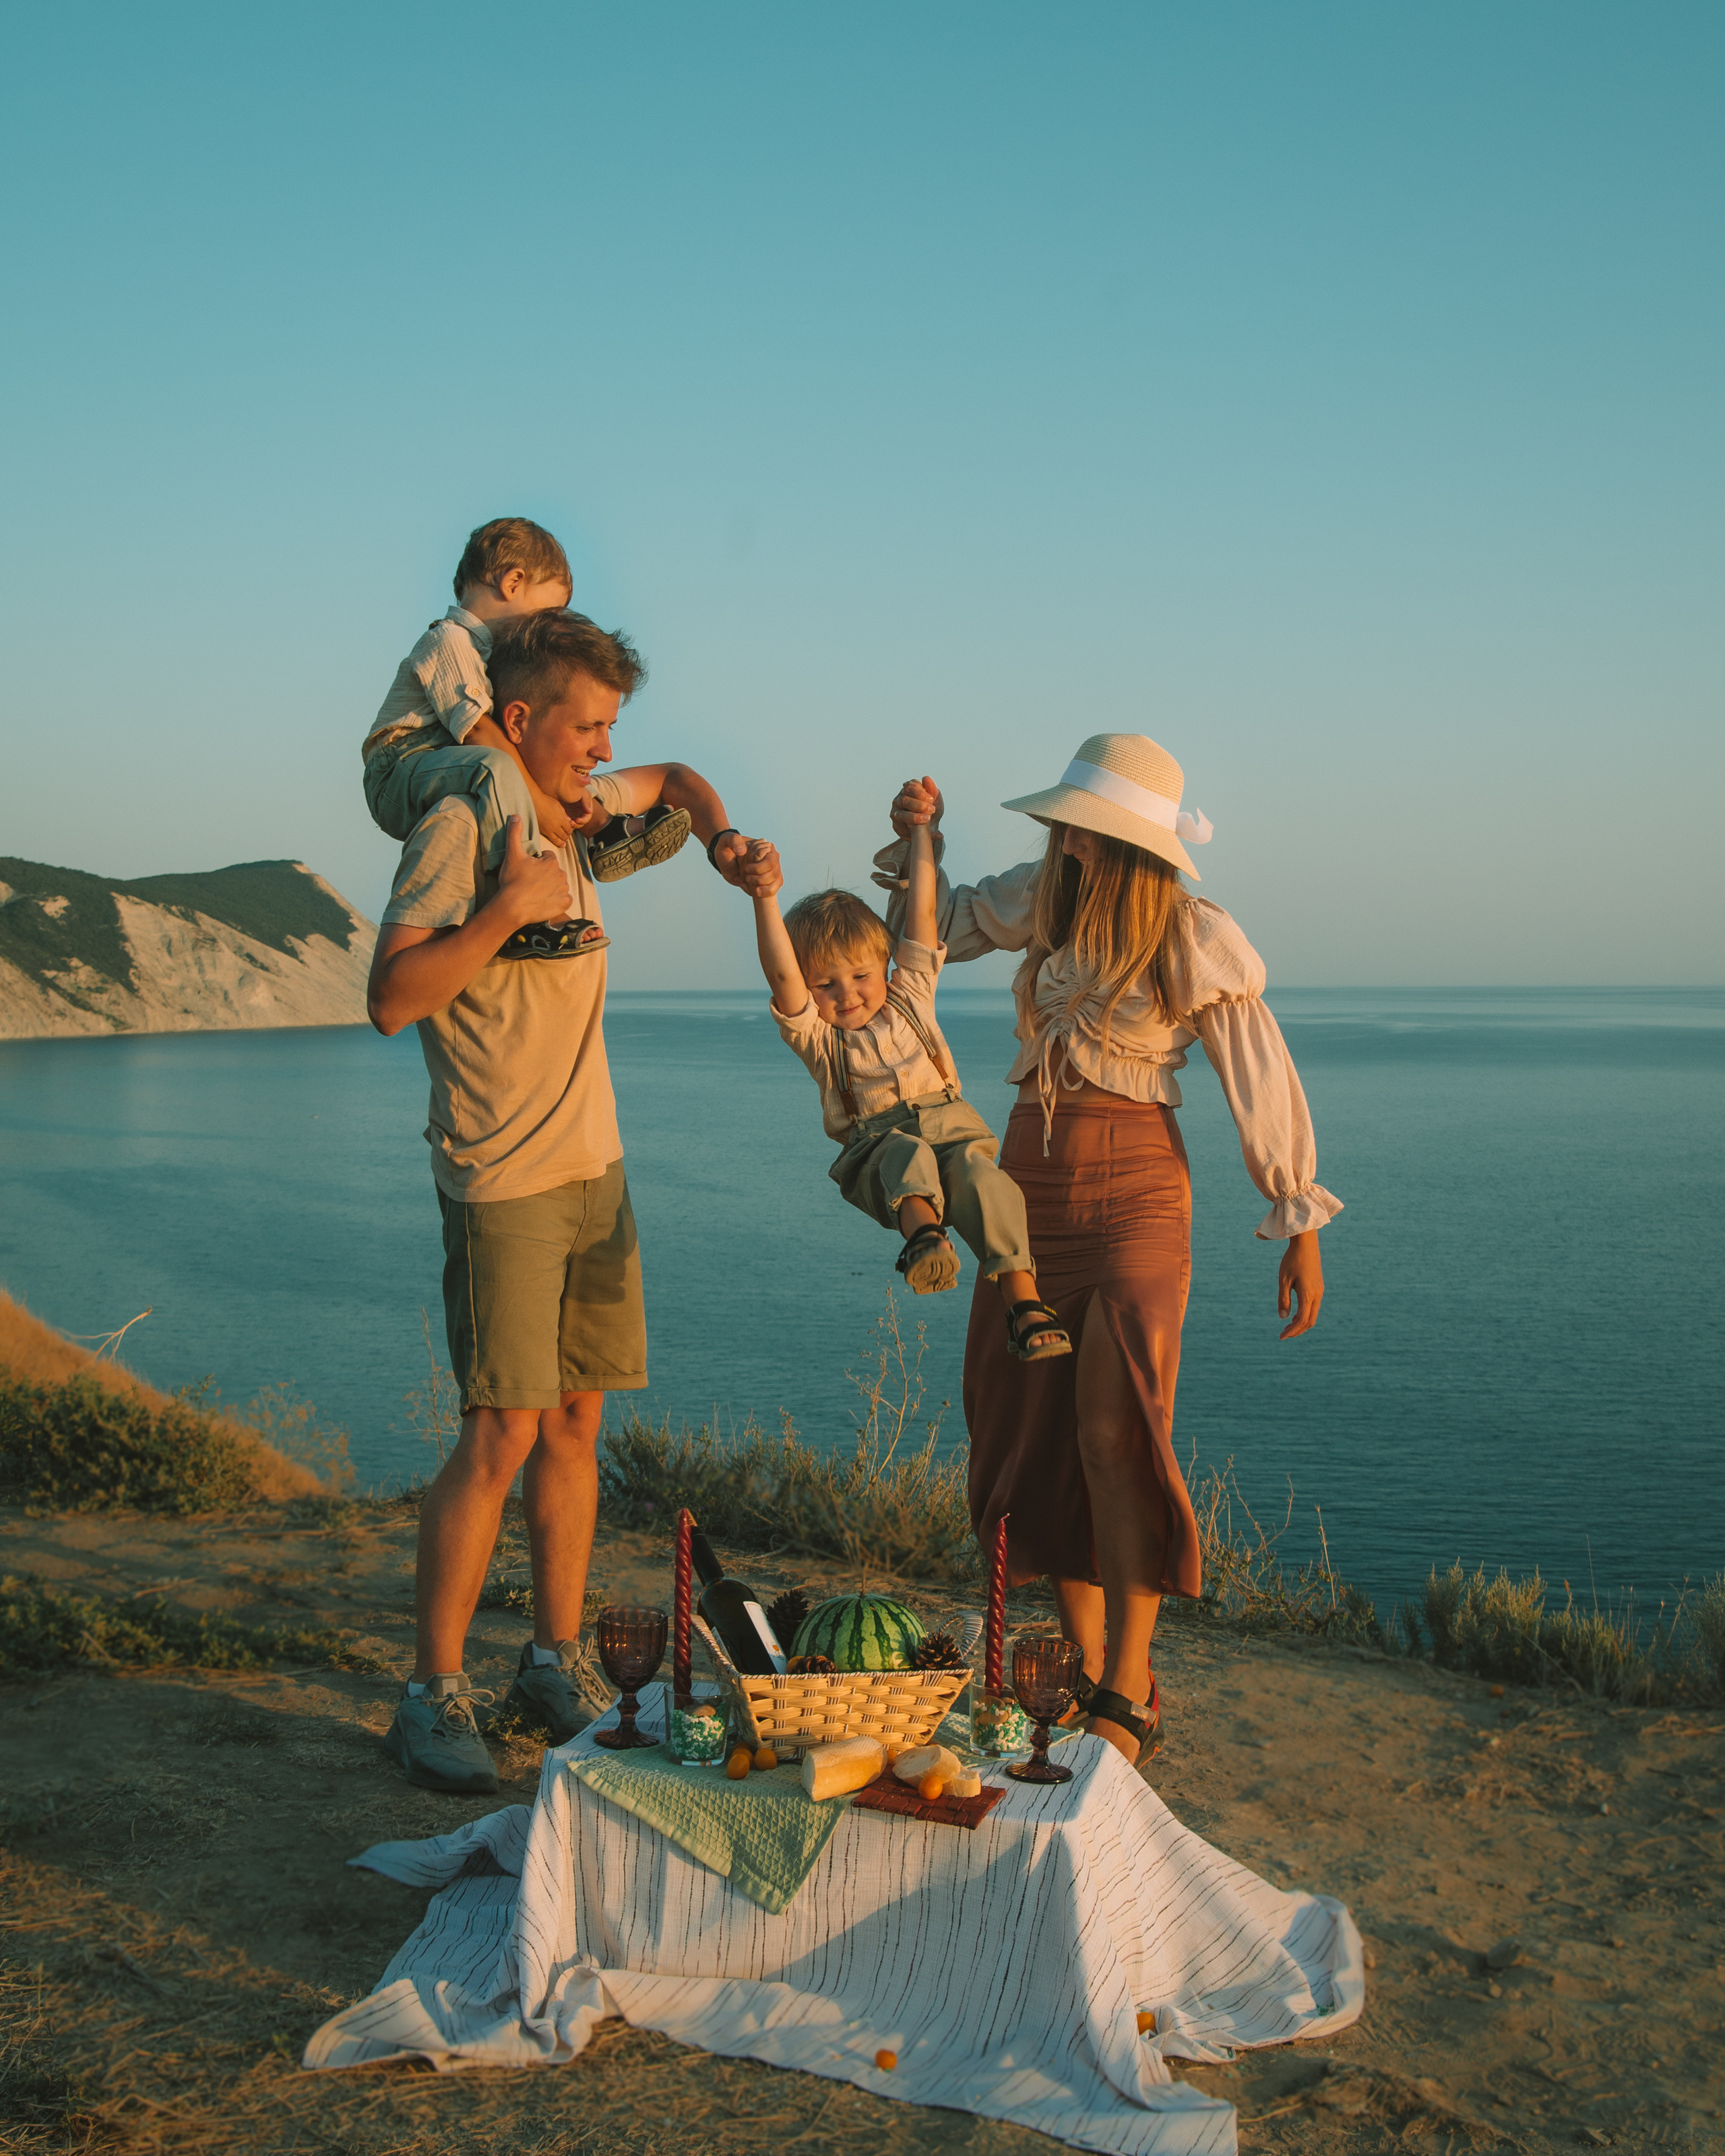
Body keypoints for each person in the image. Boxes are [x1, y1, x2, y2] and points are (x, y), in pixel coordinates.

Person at [367, 606, 775, 1794]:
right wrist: (504, 911)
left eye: (611, 729)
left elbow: (683, 781)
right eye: (587, 727)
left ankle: (549, 1663)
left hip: (595, 1167)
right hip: (502, 1177)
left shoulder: (575, 823)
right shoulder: (462, 819)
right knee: (496, 1434)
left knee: (580, 1426)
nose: (602, 748)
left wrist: (719, 836)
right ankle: (429, 1695)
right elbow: (392, 997)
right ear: (518, 717)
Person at [878, 734, 1340, 1767]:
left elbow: (1258, 1074)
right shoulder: (1043, 893)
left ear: (1114, 834)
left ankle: (1131, 1685)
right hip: (1027, 1186)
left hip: (1137, 1189)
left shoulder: (1189, 931)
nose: (1058, 834)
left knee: (1115, 1426)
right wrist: (921, 842)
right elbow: (937, 930)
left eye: (1075, 822)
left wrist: (1296, 1215)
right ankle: (1087, 1672)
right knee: (1034, 1426)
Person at [746, 823, 1070, 1357]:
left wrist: (923, 834)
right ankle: (925, 1240)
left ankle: (1025, 1305)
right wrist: (765, 896)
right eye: (825, 985)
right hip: (876, 1145)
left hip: (952, 1124)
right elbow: (780, 975)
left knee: (983, 1180)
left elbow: (920, 916)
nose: (846, 994)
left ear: (885, 965)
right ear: (808, 991)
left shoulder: (911, 995)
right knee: (906, 1153)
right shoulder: (820, 1040)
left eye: (860, 976)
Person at [362, 517, 691, 960]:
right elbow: (479, 731)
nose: (545, 627)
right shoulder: (450, 640)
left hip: (440, 758)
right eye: (546, 613)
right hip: (399, 766)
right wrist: (538, 804)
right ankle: (527, 906)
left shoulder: (484, 654)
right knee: (497, 766)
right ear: (513, 582)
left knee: (533, 765)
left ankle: (605, 829)